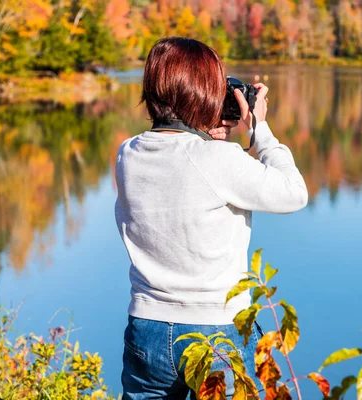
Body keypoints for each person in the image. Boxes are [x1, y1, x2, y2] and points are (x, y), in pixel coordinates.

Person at [115, 37, 308, 399]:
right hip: (215, 329)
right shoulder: (219, 159)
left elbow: (179, 167)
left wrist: (205, 132)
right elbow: (294, 193)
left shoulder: (128, 154)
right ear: (200, 92)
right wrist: (259, 130)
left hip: (148, 326)